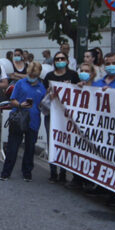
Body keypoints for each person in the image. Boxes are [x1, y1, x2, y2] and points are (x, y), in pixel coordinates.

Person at [0, 61, 47, 181]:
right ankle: (6, 172)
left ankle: (27, 172)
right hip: (18, 118)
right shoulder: (20, 83)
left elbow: (43, 104)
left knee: (30, 148)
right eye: (30, 75)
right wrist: (20, 104)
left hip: (33, 120)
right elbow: (12, 100)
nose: (31, 78)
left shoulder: (41, 88)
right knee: (13, 147)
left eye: (34, 76)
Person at [42, 50, 80, 184]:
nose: (59, 61)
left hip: (67, 116)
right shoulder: (49, 76)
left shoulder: (73, 75)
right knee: (51, 142)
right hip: (52, 114)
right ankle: (53, 173)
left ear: (67, 61)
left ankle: (63, 173)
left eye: (62, 58)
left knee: (64, 142)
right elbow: (43, 95)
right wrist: (48, 93)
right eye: (57, 59)